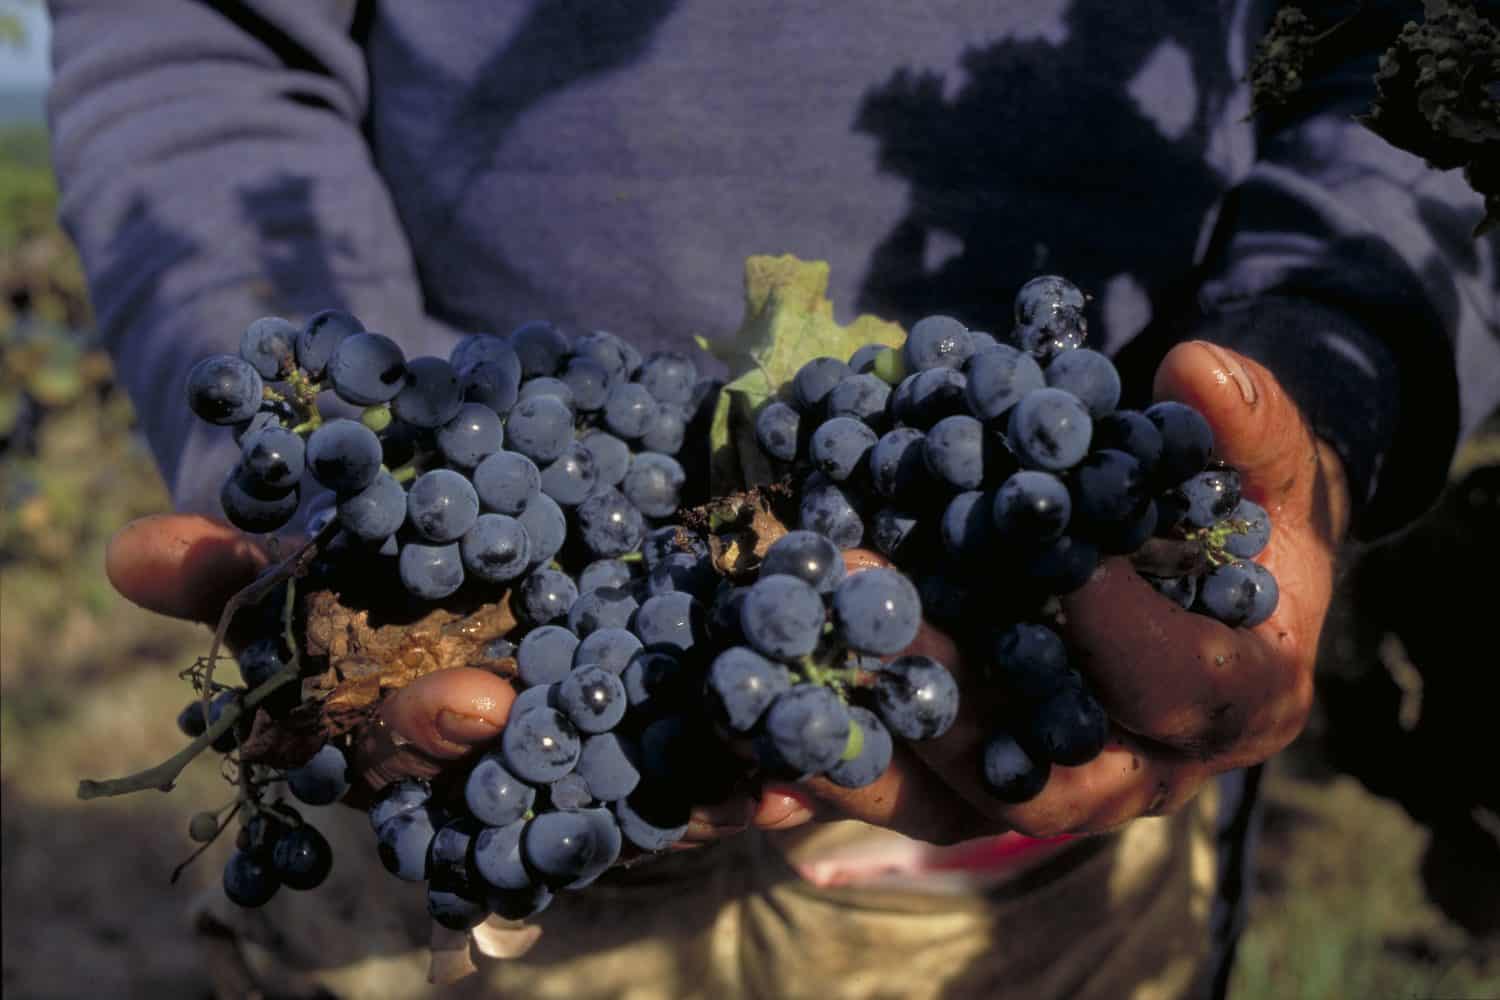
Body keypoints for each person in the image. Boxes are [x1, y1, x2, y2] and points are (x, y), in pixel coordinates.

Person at [46, 1, 1498, 997]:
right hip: (432, 694)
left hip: (1062, 722)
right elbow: (201, 38)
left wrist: (1328, 373)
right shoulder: (428, 536)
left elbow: (1419, 43)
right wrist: (347, 474)